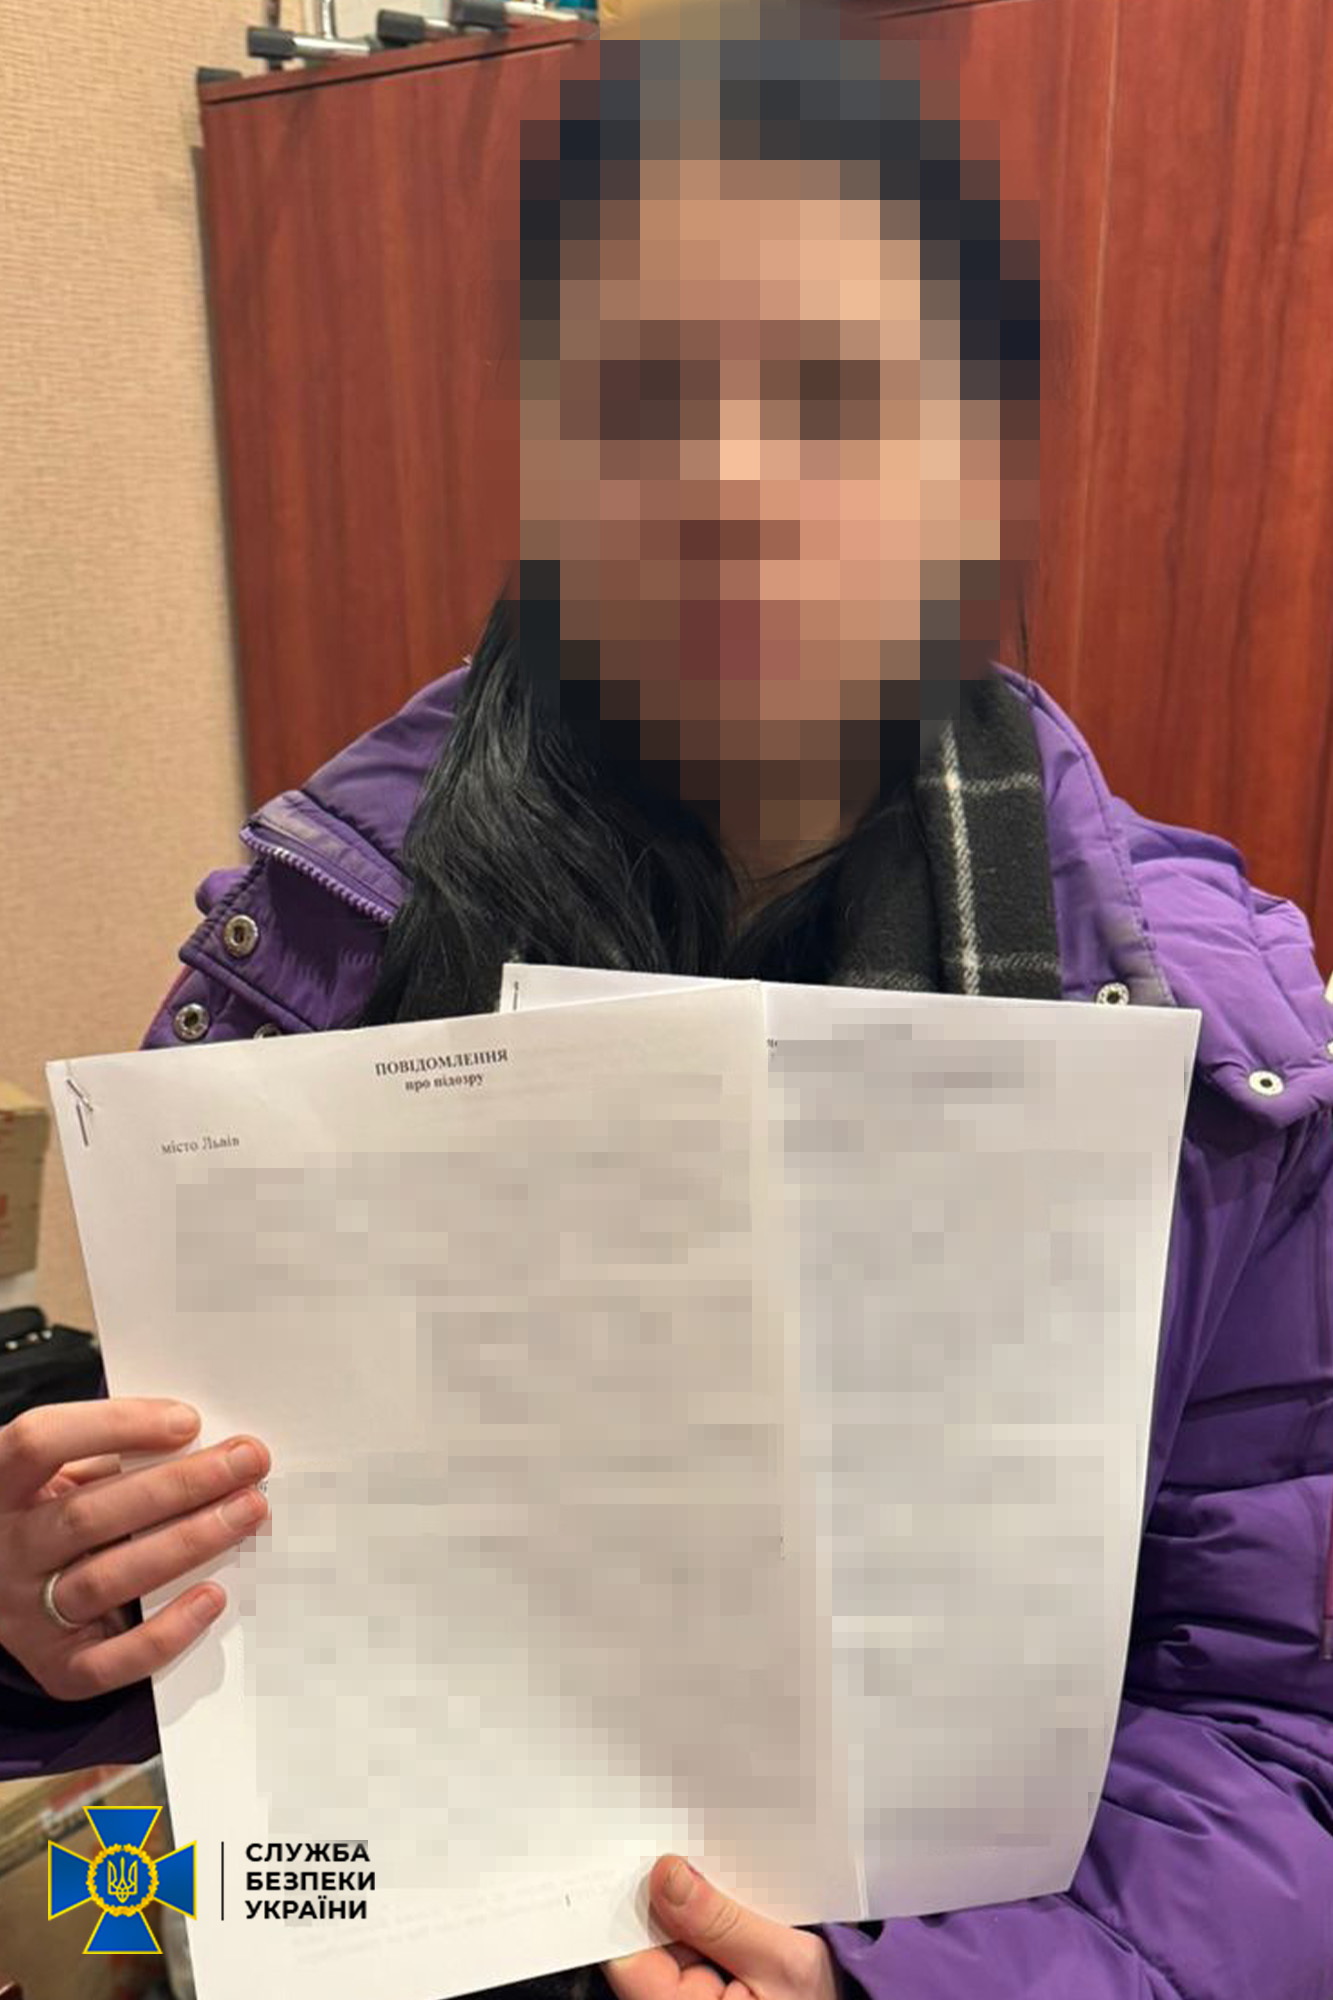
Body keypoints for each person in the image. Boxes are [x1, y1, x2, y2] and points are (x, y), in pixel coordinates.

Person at [2, 7, 1332, 1997]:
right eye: (635, 396)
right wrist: (43, 1618)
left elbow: (1275, 1742)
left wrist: (898, 1989)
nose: (724, 479)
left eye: (833, 395)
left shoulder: (1219, 1072)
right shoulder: (308, 969)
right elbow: (196, 1648)